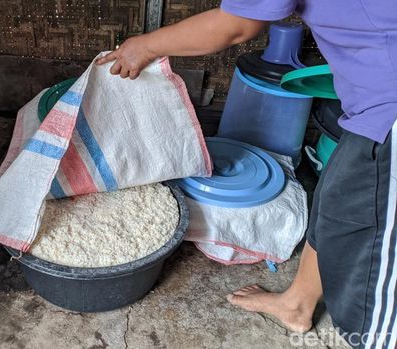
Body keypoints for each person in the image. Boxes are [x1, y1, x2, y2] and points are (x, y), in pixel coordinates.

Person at [97, 2, 397, 348]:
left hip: (390, 115)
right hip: (375, 107)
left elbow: (235, 25)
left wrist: (145, 46)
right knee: (336, 197)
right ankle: (297, 304)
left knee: (374, 280)